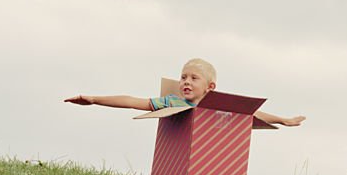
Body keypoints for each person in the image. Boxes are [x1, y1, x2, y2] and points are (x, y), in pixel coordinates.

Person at [65, 57, 306, 127]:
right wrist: (94, 99)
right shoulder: (173, 102)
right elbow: (132, 101)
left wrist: (283, 120)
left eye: (193, 78)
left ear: (210, 87)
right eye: (182, 77)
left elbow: (254, 114)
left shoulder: (218, 105)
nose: (185, 82)